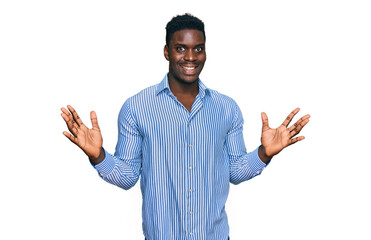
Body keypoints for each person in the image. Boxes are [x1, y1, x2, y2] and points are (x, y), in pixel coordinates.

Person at [61, 13, 310, 240]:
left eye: (198, 49)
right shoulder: (136, 107)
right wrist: (98, 156)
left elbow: (234, 172)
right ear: (167, 52)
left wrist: (264, 153)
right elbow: (127, 176)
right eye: (181, 48)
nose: (190, 57)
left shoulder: (227, 109)